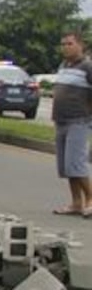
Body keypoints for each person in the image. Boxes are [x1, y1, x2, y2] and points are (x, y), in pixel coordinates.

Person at [50, 31, 92, 216]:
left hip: (79, 120)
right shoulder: (63, 65)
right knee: (66, 166)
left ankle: (90, 198)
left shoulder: (87, 67)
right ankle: (76, 202)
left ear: (80, 45)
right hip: (61, 119)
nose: (65, 47)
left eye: (69, 43)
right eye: (63, 44)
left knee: (76, 163)